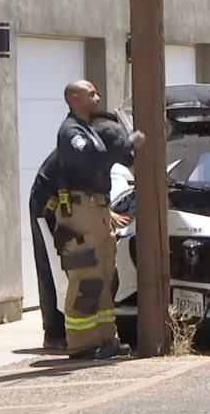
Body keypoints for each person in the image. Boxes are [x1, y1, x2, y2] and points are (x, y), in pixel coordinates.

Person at [51, 80, 144, 360]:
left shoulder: (88, 129)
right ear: (75, 98)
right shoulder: (71, 132)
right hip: (79, 212)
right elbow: (88, 160)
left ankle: (106, 338)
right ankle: (81, 343)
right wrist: (125, 145)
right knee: (86, 277)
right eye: (91, 93)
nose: (98, 97)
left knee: (105, 277)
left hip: (97, 210)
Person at [28, 111, 133, 353]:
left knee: (100, 276)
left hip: (79, 209)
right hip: (50, 205)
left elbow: (96, 192)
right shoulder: (83, 151)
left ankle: (103, 337)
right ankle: (60, 333)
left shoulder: (98, 154)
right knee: (73, 271)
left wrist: (106, 214)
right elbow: (71, 196)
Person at [29, 150, 67, 352]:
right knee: (50, 264)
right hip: (46, 202)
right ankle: (54, 330)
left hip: (65, 199)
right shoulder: (79, 146)